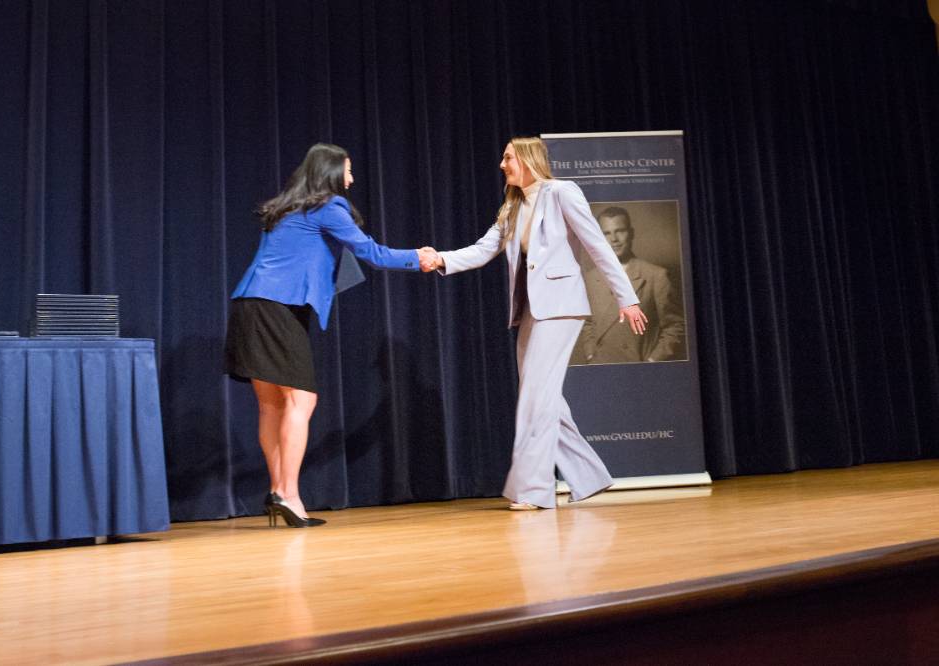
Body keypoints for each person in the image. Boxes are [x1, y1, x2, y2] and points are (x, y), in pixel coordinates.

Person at [423, 137, 648, 510]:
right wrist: (440, 259)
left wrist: (627, 297)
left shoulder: (562, 192)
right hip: (531, 309)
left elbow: (597, 245)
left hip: (561, 307)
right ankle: (589, 476)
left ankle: (534, 490)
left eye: (508, 157)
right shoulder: (512, 208)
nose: (502, 163)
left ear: (527, 160)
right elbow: (482, 249)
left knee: (534, 399)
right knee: (544, 399)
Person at [225, 143, 435, 528]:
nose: (352, 179)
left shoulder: (286, 208)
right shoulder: (328, 206)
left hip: (250, 303)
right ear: (331, 172)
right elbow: (371, 252)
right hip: (277, 307)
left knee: (272, 404)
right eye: (348, 170)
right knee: (301, 399)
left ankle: (278, 491)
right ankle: (289, 494)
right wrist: (418, 257)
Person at [570, 207, 685, 364]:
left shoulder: (656, 276)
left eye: (620, 231)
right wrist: (591, 355)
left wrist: (651, 362)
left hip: (638, 370)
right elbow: (588, 323)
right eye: (606, 233)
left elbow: (674, 327)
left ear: (631, 233)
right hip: (601, 367)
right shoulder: (590, 278)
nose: (614, 239)